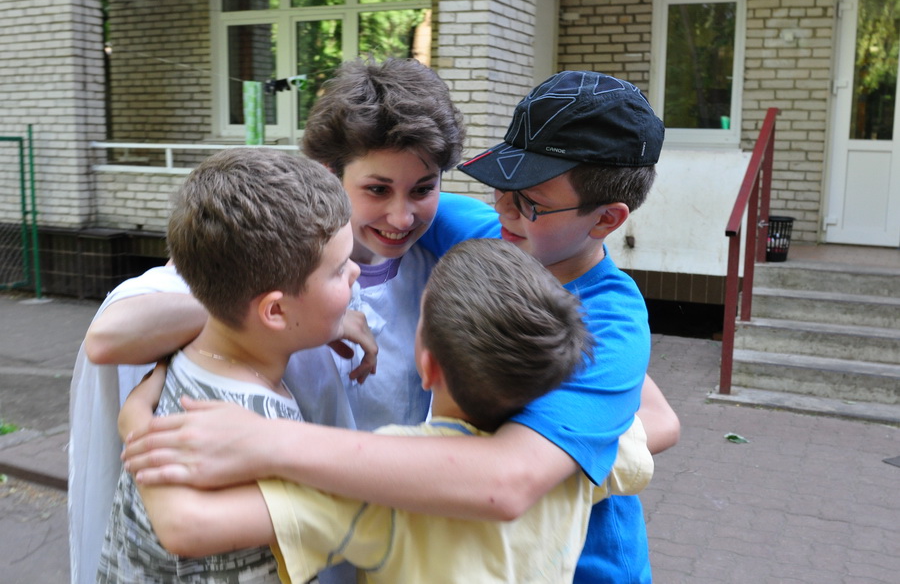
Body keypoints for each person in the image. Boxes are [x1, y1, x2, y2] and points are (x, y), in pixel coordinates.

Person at [122, 70, 673, 583]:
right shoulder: (486, 232)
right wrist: (231, 274)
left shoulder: (611, 320)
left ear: (607, 218)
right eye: (500, 185)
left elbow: (506, 482)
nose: (502, 209)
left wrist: (263, 440)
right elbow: (354, 188)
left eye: (529, 202)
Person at [118, 238, 654, 584]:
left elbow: (185, 527)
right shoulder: (571, 459)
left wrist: (136, 419)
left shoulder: (383, 483)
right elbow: (648, 427)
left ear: (426, 364)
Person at [95, 146, 360, 582]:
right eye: (339, 269)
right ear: (275, 311)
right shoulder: (253, 429)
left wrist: (134, 417)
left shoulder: (180, 361)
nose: (354, 273)